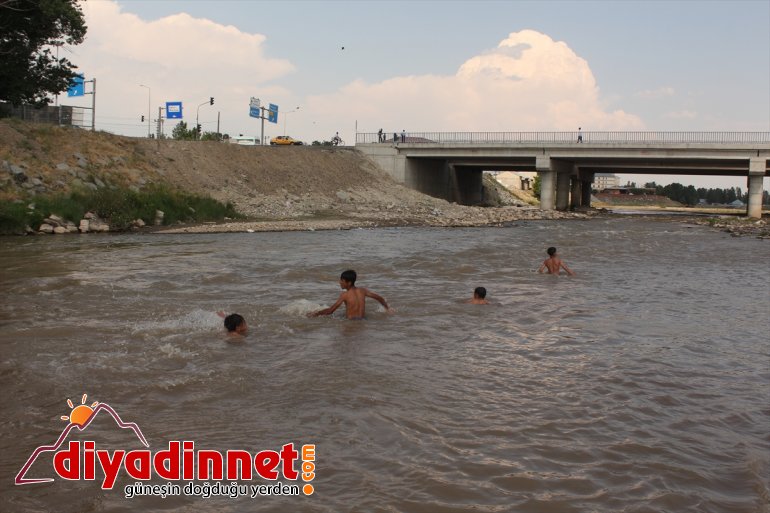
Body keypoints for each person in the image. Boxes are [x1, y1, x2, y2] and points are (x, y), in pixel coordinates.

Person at [309, 270, 393, 320]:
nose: (340, 282)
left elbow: (331, 310)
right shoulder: (362, 291)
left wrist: (316, 314)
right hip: (363, 320)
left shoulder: (345, 295)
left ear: (348, 283)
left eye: (342, 280)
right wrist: (387, 308)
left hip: (351, 322)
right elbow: (379, 298)